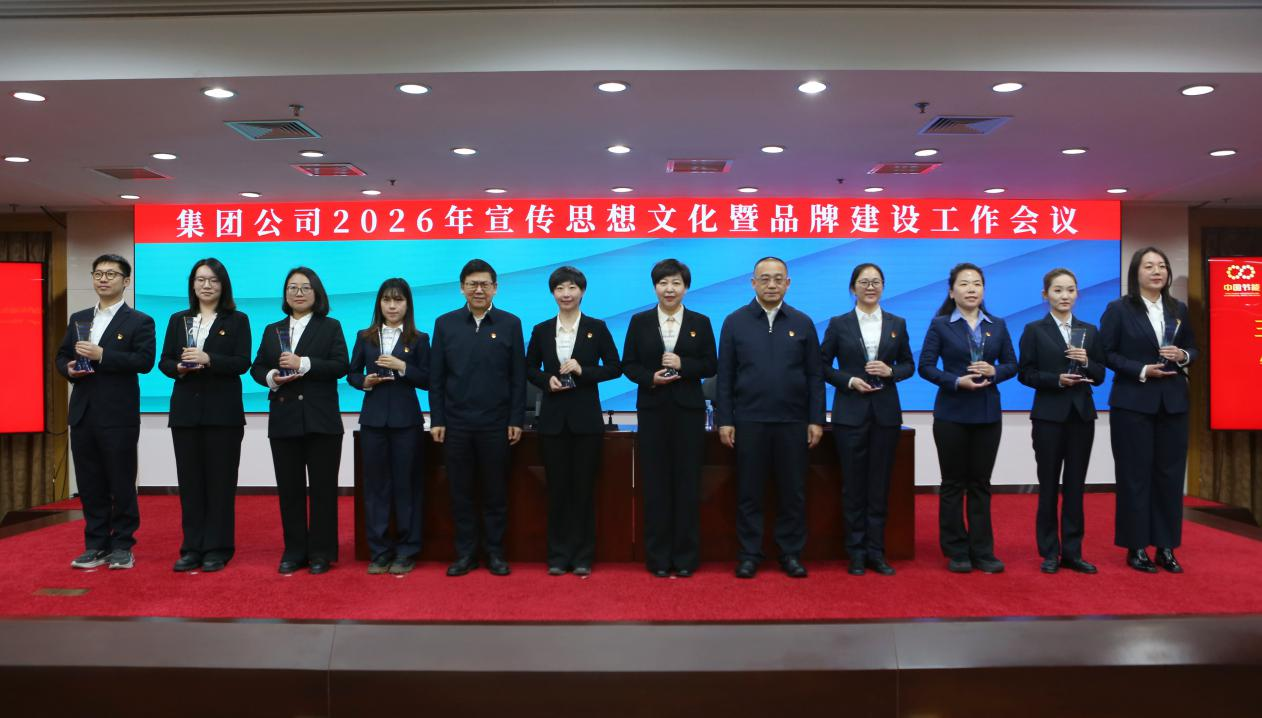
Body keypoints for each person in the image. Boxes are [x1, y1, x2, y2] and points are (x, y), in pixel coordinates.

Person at [716, 256, 826, 579]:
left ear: (788, 283)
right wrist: (725, 420)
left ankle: (790, 553)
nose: (772, 284)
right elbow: (725, 376)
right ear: (753, 283)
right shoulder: (734, 322)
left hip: (793, 421)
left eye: (778, 279)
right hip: (749, 420)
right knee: (749, 491)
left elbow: (815, 375)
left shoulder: (802, 323)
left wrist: (816, 419)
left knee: (793, 492)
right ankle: (750, 554)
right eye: (764, 279)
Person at [1100, 246, 1196, 574]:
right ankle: (1136, 546)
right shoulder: (1118, 309)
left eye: (1162, 266)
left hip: (1174, 402)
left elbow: (1195, 348)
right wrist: (1141, 370)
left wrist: (1183, 356)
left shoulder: (1178, 309)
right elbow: (1106, 353)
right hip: (1133, 402)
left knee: (1170, 476)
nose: (1157, 271)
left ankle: (1166, 547)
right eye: (1149, 266)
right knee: (1135, 476)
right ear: (1136, 273)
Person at [56, 253, 155, 570]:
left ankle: (123, 545)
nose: (103, 279)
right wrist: (69, 369)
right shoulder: (79, 318)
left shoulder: (139, 321)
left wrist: (103, 354)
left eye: (111, 274)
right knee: (90, 482)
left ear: (126, 281)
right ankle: (95, 544)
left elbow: (144, 361)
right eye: (98, 273)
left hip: (118, 415)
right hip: (83, 413)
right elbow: (61, 356)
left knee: (121, 481)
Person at [918, 262, 1017, 574]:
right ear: (952, 292)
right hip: (952, 413)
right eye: (964, 284)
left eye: (977, 284)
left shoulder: (997, 325)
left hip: (987, 413)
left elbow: (1012, 364)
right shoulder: (940, 325)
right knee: (952, 483)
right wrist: (955, 381)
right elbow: (926, 366)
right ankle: (956, 550)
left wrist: (994, 371)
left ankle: (982, 550)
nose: (971, 289)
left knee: (980, 484)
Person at [430, 259, 526, 577]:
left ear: (495, 288)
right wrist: (438, 419)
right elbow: (436, 378)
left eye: (485, 284)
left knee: (495, 493)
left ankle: (495, 553)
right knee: (460, 493)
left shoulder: (510, 324)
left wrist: (515, 419)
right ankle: (465, 554)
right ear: (462, 288)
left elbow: (517, 377)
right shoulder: (445, 324)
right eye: (472, 284)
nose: (479, 289)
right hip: (456, 424)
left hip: (496, 424)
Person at [249, 267, 348, 575]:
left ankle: (321, 552)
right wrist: (272, 377)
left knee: (322, 489)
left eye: (305, 287)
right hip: (284, 419)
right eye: (292, 287)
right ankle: (294, 550)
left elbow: (340, 366)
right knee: (289, 489)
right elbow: (256, 367)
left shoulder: (330, 326)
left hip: (321, 420)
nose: (298, 293)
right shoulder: (272, 329)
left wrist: (302, 363)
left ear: (317, 293)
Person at [622, 259, 717, 578]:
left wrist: (683, 364)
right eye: (663, 283)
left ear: (686, 287)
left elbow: (711, 364)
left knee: (688, 485)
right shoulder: (640, 321)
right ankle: (658, 558)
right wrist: (650, 378)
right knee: (655, 485)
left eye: (676, 283)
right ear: (654, 287)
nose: (669, 289)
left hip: (688, 412)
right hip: (653, 410)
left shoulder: (700, 321)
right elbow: (628, 365)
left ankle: (686, 557)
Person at [525, 266, 622, 576]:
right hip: (553, 421)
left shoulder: (597, 327)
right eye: (560, 288)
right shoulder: (541, 330)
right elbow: (529, 368)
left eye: (572, 288)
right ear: (552, 293)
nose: (566, 294)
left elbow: (615, 367)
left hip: (585, 421)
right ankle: (557, 555)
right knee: (556, 491)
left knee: (583, 490)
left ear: (582, 291)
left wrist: (583, 370)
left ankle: (582, 556)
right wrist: (547, 381)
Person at [819, 263, 914, 576]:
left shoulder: (897, 323)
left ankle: (877, 552)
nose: (870, 287)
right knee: (853, 486)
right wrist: (848, 381)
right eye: (864, 282)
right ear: (853, 288)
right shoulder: (839, 324)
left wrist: (891, 371)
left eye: (875, 282)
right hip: (850, 414)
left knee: (879, 486)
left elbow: (909, 365)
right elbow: (822, 365)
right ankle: (856, 552)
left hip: (885, 414)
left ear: (883, 287)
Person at [157, 258, 251, 573]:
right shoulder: (178, 319)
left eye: (213, 280)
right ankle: (191, 548)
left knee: (220, 484)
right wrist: (179, 367)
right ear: (192, 284)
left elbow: (242, 362)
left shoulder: (237, 320)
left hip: (223, 414)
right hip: (185, 413)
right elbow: (164, 361)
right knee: (190, 484)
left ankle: (217, 548)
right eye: (200, 280)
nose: (206, 285)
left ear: (223, 285)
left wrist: (208, 358)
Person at [1017, 268, 1105, 575]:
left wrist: (1087, 362)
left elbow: (1100, 374)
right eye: (1057, 290)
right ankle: (1049, 552)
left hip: (1082, 416)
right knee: (1049, 485)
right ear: (1045, 295)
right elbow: (1025, 373)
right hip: (1049, 416)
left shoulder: (1089, 330)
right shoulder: (1034, 330)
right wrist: (1056, 379)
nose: (1064, 296)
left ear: (1077, 293)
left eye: (1070, 290)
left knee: (1076, 486)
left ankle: (1073, 552)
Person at [347, 278, 430, 575]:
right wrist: (364, 382)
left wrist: (403, 367)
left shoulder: (419, 338)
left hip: (406, 421)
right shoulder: (365, 336)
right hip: (373, 420)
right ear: (379, 303)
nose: (392, 306)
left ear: (408, 304)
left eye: (398, 300)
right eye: (387, 300)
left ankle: (407, 550)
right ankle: (380, 551)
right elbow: (352, 373)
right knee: (376, 487)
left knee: (407, 486)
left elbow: (428, 378)